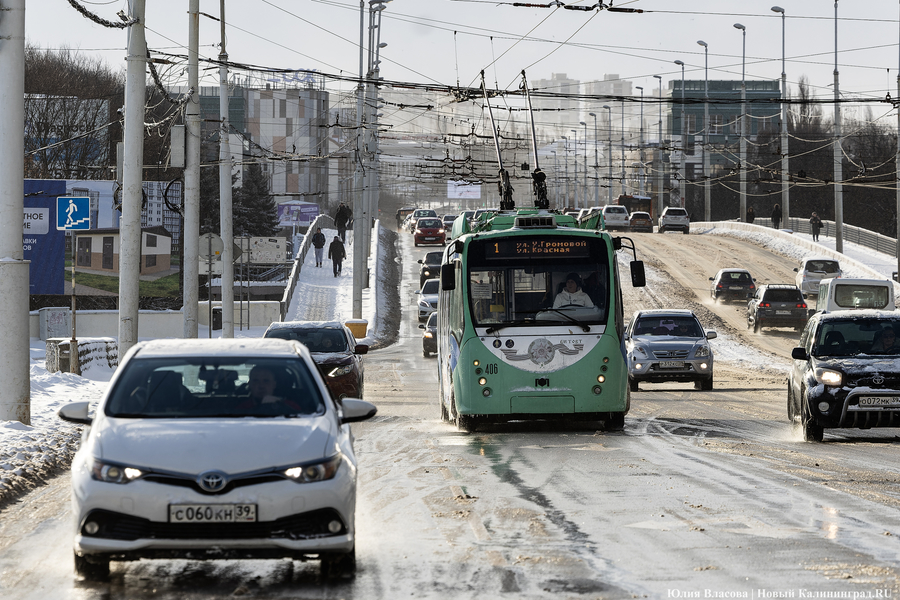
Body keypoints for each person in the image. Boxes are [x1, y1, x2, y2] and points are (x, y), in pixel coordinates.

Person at [237, 365, 303, 415]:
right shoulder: (242, 408)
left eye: (266, 381)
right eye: (256, 381)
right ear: (249, 384)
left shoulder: (290, 406)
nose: (261, 386)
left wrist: (281, 406)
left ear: (274, 384)